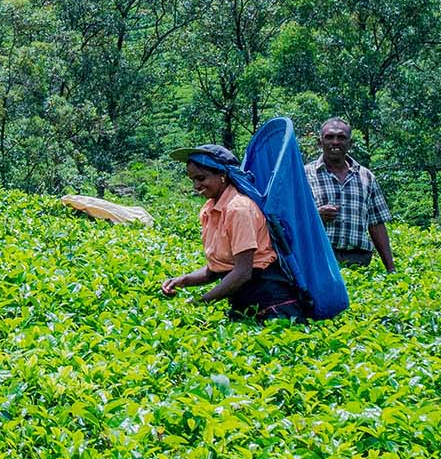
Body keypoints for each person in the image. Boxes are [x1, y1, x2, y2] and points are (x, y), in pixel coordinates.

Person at [159, 144, 304, 322]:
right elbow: (217, 268)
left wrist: (201, 302)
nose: (196, 186)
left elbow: (243, 272)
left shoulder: (239, 208)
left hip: (272, 306)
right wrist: (183, 280)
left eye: (201, 178)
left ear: (222, 175)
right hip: (243, 304)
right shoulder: (209, 210)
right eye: (193, 180)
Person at [304, 118, 395, 271]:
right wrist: (316, 215)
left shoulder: (366, 176)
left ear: (350, 144)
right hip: (318, 257)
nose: (335, 142)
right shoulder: (304, 175)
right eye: (329, 137)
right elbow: (290, 218)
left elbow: (377, 224)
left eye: (341, 137)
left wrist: (391, 269)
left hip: (358, 259)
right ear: (320, 143)